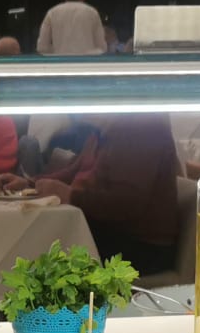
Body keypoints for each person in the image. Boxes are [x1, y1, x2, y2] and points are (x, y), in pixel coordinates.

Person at [38, 114, 180, 273]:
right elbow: (73, 171)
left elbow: (127, 204)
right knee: (44, 238)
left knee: (45, 247)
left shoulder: (142, 124)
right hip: (109, 231)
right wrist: (32, 184)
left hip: (140, 247)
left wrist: (72, 196)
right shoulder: (105, 128)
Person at [36, 0, 107, 56]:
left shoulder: (52, 13)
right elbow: (101, 47)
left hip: (60, 62)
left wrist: (58, 51)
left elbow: (42, 47)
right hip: (86, 62)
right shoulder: (92, 12)